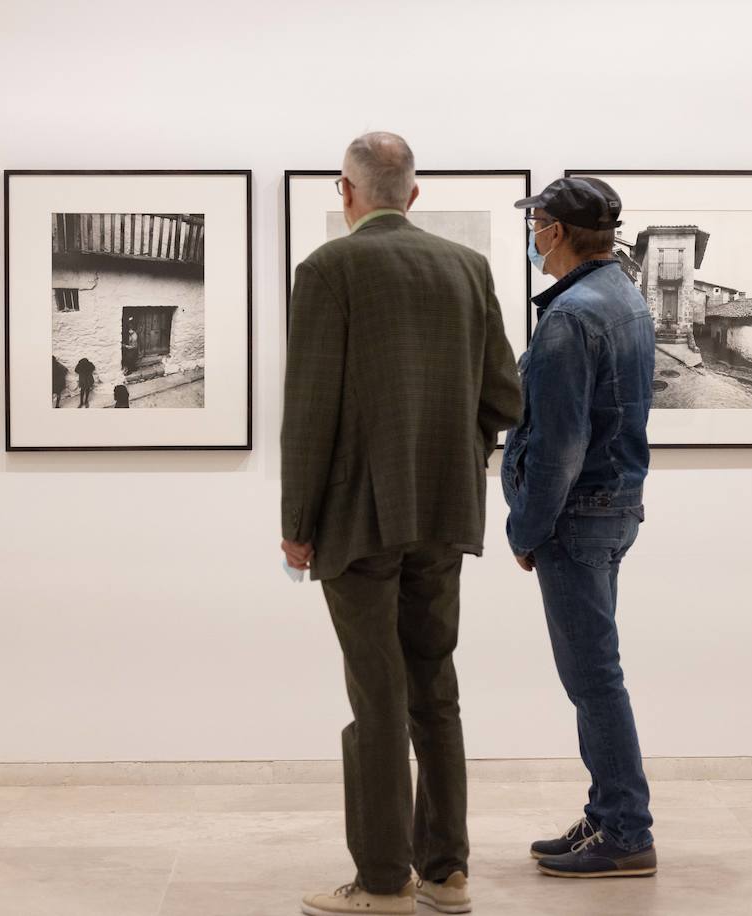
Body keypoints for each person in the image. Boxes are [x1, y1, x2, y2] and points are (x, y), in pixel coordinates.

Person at [283, 132, 521, 916]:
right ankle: (447, 871)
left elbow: (310, 410)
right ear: (412, 195)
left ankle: (384, 880)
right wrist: (454, 454)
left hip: (357, 516)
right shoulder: (467, 268)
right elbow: (504, 400)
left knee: (376, 696)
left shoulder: (328, 269)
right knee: (434, 686)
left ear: (345, 192)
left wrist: (296, 521)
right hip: (445, 510)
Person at [503, 177, 658, 879]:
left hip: (576, 516)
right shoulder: (624, 298)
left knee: (594, 679)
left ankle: (627, 831)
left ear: (556, 232)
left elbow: (561, 444)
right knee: (597, 674)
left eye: (537, 224)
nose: (533, 235)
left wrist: (525, 528)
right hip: (616, 507)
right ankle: (606, 814)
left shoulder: (570, 317)